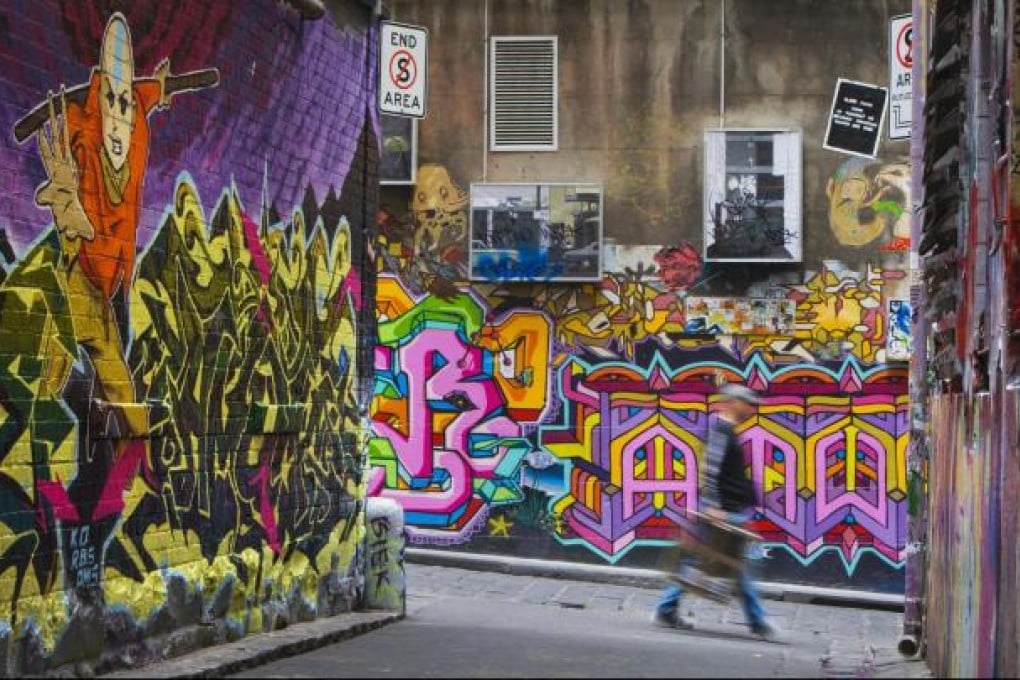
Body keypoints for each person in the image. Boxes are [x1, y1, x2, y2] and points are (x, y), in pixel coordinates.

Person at [652, 383, 778, 640]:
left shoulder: (727, 430)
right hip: (722, 510)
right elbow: (710, 469)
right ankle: (758, 622)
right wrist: (711, 506)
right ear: (732, 402)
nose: (752, 409)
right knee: (734, 565)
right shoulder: (721, 430)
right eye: (748, 403)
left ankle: (666, 608)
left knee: (713, 562)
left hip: (728, 509)